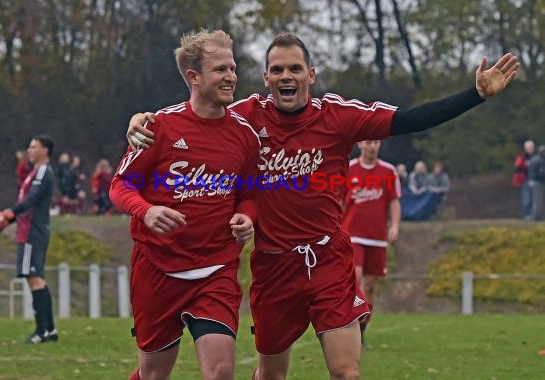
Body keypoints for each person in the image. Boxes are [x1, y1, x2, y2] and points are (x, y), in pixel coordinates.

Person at [127, 32, 519, 380]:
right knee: (270, 373)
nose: (286, 76)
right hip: (274, 267)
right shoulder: (245, 117)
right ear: (266, 79)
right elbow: (196, 110)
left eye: (295, 68)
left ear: (310, 75)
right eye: (277, 69)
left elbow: (409, 119)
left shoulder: (339, 116)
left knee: (346, 371)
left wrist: (476, 95)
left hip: (328, 259)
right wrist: (141, 120)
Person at [109, 30, 259, 380]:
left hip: (216, 269)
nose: (231, 77)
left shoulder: (244, 135)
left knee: (221, 372)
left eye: (233, 68)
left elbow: (249, 195)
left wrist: (247, 217)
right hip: (157, 269)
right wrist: (146, 211)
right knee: (153, 374)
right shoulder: (159, 127)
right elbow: (120, 185)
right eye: (220, 69)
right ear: (193, 77)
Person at [341, 140, 401, 345]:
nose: (372, 146)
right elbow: (338, 200)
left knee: (369, 285)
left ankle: (361, 330)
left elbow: (394, 200)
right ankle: (346, 327)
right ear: (360, 144)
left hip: (376, 237)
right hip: (352, 234)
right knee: (355, 277)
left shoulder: (388, 171)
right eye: (368, 142)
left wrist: (394, 226)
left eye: (376, 142)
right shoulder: (349, 169)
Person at [5, 135, 58, 343]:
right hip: (31, 230)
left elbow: (32, 200)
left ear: (45, 150)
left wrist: (9, 213)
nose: (29, 150)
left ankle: (42, 330)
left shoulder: (44, 171)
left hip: (32, 231)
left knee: (33, 277)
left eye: (33, 147)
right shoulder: (35, 171)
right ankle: (50, 330)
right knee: (37, 278)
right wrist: (10, 218)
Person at [512, 140, 535, 219]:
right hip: (525, 180)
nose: (530, 149)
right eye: (528, 147)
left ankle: (532, 214)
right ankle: (526, 214)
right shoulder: (522, 157)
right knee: (527, 198)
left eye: (531, 147)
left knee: (534, 198)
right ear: (525, 148)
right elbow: (517, 169)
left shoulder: (535, 156)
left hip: (534, 180)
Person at [527, 145, 545, 220]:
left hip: (534, 181)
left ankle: (538, 215)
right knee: (538, 200)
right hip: (538, 182)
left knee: (537, 200)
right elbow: (541, 172)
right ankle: (536, 216)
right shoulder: (540, 160)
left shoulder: (535, 158)